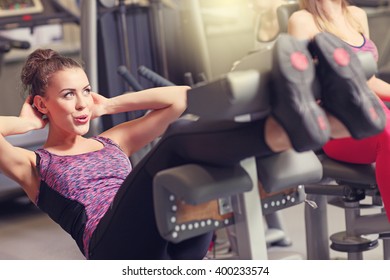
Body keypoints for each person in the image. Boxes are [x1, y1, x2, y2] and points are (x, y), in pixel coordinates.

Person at [0, 48, 318, 259]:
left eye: (85, 91)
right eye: (68, 95)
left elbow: (181, 100)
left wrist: (110, 104)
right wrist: (24, 123)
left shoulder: (113, 140)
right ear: (42, 104)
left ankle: (289, 125)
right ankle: (283, 132)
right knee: (177, 137)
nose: (83, 104)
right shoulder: (34, 164)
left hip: (166, 233)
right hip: (110, 246)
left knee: (196, 137)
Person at [288, 0, 390, 221]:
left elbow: (369, 80)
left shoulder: (357, 15)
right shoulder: (302, 21)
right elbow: (300, 87)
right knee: (387, 132)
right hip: (337, 124)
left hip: (374, 112)